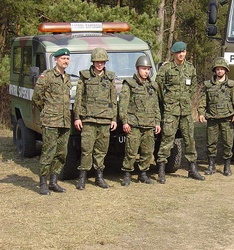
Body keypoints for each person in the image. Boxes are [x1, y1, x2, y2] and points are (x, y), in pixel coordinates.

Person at [156, 41, 205, 184]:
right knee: (167, 140)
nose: (181, 54)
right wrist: (166, 101)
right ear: (174, 54)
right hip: (171, 111)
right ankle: (161, 170)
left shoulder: (190, 68)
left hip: (185, 111)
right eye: (178, 52)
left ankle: (192, 169)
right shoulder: (166, 69)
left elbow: (193, 87)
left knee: (190, 139)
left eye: (183, 52)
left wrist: (187, 102)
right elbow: (159, 87)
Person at [73, 47, 117, 190]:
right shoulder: (85, 77)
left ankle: (99, 177)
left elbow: (113, 100)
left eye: (102, 61)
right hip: (89, 119)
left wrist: (114, 118)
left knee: (101, 150)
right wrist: (77, 117)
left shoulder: (110, 77)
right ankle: (82, 178)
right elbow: (78, 98)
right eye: (97, 61)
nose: (100, 64)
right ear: (93, 62)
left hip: (105, 119)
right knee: (86, 149)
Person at [32, 48, 71, 195]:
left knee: (62, 153)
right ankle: (43, 182)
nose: (65, 61)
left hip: (64, 121)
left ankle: (53, 182)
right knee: (48, 152)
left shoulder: (67, 78)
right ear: (56, 60)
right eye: (63, 59)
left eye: (67, 59)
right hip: (50, 121)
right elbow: (36, 97)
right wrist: (47, 110)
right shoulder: (47, 76)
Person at [118, 55, 161, 186]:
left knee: (147, 152)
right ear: (137, 69)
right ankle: (127, 174)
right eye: (144, 69)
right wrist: (124, 121)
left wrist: (157, 122)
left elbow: (156, 105)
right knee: (131, 151)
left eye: (148, 69)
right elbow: (123, 104)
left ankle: (143, 174)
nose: (146, 71)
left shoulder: (153, 86)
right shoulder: (129, 84)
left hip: (148, 124)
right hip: (134, 124)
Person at [198, 57, 234, 176]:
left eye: (222, 69)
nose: (220, 71)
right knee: (211, 143)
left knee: (228, 143)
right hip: (212, 118)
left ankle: (227, 166)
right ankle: (211, 166)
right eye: (218, 69)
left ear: (226, 70)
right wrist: (201, 113)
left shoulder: (231, 85)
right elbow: (203, 101)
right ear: (215, 70)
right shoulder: (208, 85)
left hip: (227, 118)